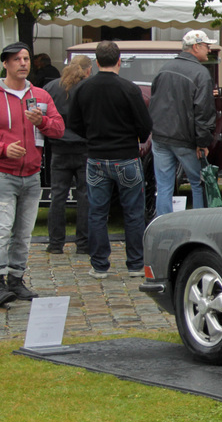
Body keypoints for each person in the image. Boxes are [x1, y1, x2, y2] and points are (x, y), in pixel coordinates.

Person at [67, 41, 152, 279]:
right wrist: (136, 137)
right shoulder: (129, 89)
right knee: (134, 212)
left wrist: (93, 136)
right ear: (119, 61)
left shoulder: (83, 89)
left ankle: (99, 264)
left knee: (97, 212)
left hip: (96, 156)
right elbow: (145, 126)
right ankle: (135, 263)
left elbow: (73, 124)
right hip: (125, 155)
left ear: (95, 62)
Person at [0, 42, 65, 302]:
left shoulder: (40, 95)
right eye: (17, 59)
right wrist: (4, 149)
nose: (23, 63)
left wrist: (43, 122)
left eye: (26, 58)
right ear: (5, 63)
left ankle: (16, 279)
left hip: (32, 175)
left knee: (24, 232)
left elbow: (59, 128)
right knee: (3, 230)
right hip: (4, 174)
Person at [148, 29, 217, 216]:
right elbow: (203, 111)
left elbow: (155, 99)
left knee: (163, 186)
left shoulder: (165, 68)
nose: (209, 50)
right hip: (185, 138)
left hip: (161, 136)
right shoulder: (201, 73)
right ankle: (199, 223)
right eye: (206, 46)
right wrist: (202, 142)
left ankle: (163, 225)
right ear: (196, 47)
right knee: (198, 182)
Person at [43, 55, 93, 255]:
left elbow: (43, 115)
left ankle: (55, 243)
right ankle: (83, 244)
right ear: (88, 70)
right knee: (85, 197)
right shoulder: (88, 88)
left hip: (59, 148)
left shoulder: (52, 87)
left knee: (58, 197)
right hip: (84, 147)